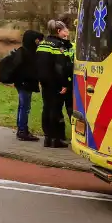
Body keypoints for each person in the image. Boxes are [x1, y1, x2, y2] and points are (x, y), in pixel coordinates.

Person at [36, 19, 75, 148]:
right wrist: (64, 84)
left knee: (46, 108)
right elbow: (60, 67)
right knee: (56, 110)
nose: (67, 32)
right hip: (56, 83)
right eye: (64, 30)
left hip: (45, 82)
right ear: (58, 31)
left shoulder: (42, 44)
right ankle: (56, 139)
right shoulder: (58, 46)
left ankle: (47, 137)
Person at [13, 30, 45, 142]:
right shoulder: (25, 53)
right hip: (24, 83)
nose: (38, 42)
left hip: (23, 83)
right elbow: (21, 68)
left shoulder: (28, 52)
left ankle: (21, 129)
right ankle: (22, 131)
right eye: (36, 40)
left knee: (22, 106)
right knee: (25, 107)